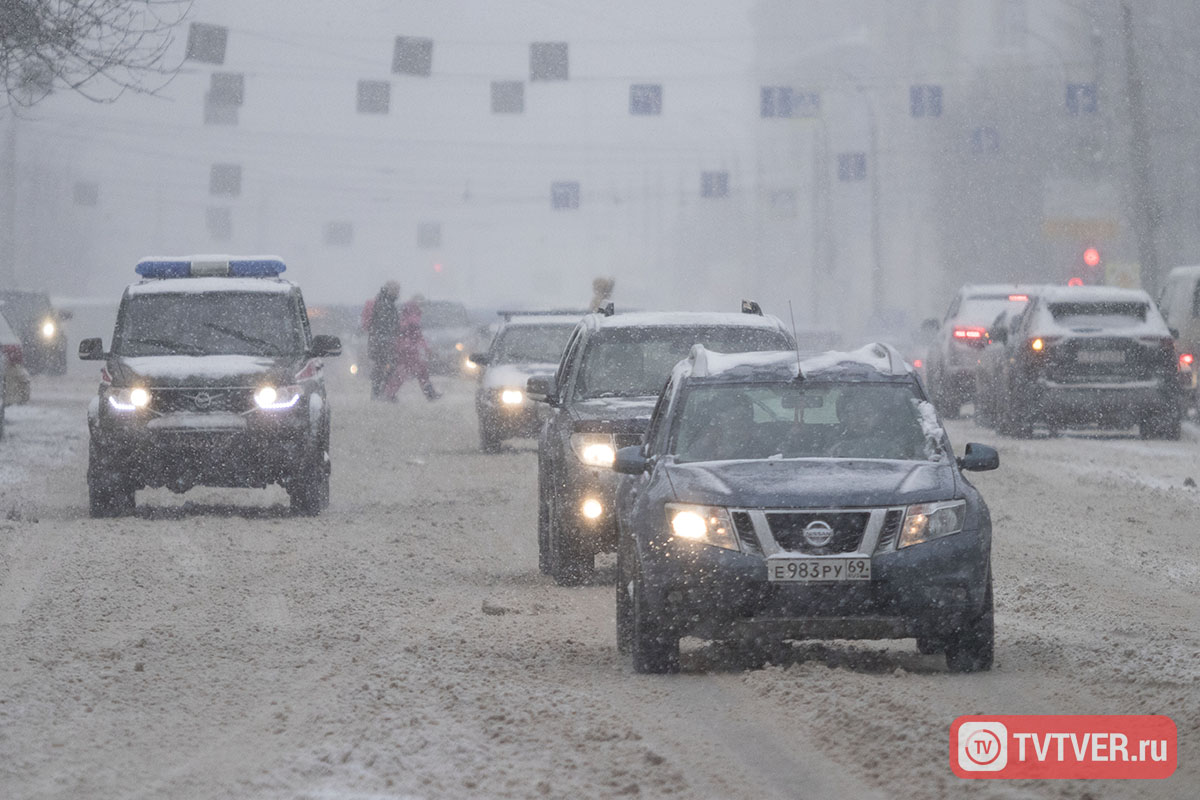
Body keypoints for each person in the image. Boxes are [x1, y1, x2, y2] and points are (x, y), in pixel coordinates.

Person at [384, 296, 441, 401]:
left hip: (404, 348)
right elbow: (417, 335)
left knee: (412, 372)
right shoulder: (413, 317)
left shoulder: (407, 314)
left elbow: (414, 335)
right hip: (408, 350)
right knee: (414, 372)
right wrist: (426, 348)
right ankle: (389, 394)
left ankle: (389, 394)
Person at [366, 281, 402, 399]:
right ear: (389, 290)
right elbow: (383, 323)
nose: (398, 293)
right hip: (381, 341)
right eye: (396, 290)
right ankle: (380, 393)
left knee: (382, 367)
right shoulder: (384, 303)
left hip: (380, 340)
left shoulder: (386, 301)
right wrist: (390, 335)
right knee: (384, 367)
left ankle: (381, 393)